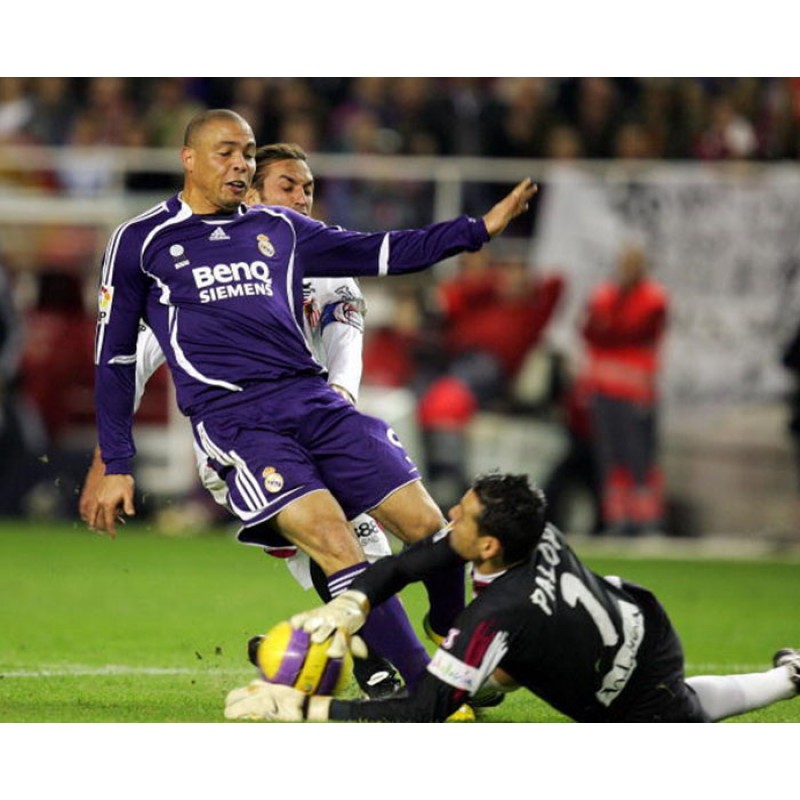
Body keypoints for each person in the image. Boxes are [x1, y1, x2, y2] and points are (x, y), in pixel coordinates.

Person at [90, 109, 536, 694]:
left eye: (247, 153)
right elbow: (118, 357)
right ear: (188, 158)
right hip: (239, 423)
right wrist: (116, 461)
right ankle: (420, 686)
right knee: (338, 544)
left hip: (317, 404)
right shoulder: (141, 240)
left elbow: (387, 249)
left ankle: (444, 624)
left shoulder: (279, 230)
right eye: (226, 152)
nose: (239, 164)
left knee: (431, 528)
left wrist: (476, 231)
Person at [81, 142, 405, 697]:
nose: (302, 198)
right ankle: (395, 673)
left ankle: (309, 648)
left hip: (317, 425)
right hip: (237, 441)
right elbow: (131, 363)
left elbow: (344, 353)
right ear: (252, 197)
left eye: (308, 187)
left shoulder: (330, 272)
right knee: (350, 546)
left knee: (353, 552)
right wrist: (108, 457)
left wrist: (338, 414)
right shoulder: (207, 269)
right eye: (287, 187)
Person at [224, 472, 800, 723]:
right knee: (488, 666)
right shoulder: (529, 531)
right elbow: (407, 563)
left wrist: (300, 708)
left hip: (627, 686)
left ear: (491, 543)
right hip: (631, 616)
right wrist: (350, 605)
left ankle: (793, 677)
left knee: (683, 715)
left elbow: (421, 712)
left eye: (464, 515)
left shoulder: (499, 614)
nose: (451, 515)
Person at [578, 243, 669, 536]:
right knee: (610, 456)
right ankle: (618, 518)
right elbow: (590, 330)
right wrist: (606, 326)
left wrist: (608, 325)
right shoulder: (604, 294)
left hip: (635, 391)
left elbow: (631, 329)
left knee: (639, 457)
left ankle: (646, 520)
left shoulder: (653, 298)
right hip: (604, 387)